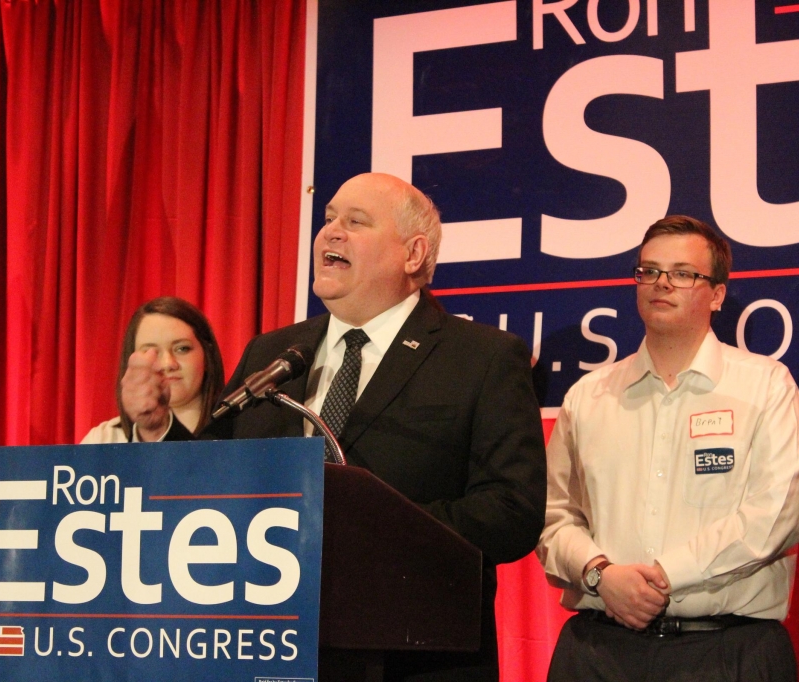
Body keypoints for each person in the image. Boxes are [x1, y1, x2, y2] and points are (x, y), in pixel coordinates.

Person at [121, 172, 547, 681]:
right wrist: (157, 429)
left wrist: (364, 532)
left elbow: (511, 513)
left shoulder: (482, 358)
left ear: (413, 255)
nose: (331, 232)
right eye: (328, 219)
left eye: (356, 221)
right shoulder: (272, 352)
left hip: (413, 658)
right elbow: (212, 478)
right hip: (273, 647)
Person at [538, 215, 799, 681]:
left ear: (718, 293)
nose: (661, 283)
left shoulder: (765, 385)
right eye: (649, 271)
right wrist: (600, 574)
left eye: (683, 273)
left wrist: (664, 576)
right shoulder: (589, 395)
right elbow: (551, 514)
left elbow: (778, 514)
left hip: (729, 652)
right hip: (597, 651)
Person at [82, 296, 225, 443]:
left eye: (182, 349)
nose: (168, 364)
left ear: (207, 356)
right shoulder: (103, 440)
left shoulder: (238, 433)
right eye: (150, 352)